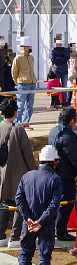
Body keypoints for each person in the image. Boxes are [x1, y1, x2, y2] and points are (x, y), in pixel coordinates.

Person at [12, 145, 62, 265]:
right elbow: (54, 205)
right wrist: (40, 222)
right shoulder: (55, 179)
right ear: (53, 161)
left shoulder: (27, 176)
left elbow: (19, 199)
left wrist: (28, 219)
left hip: (28, 225)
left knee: (26, 251)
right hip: (45, 225)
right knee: (44, 255)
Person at [48, 107, 77, 241]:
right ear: (72, 121)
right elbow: (75, 159)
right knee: (66, 203)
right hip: (65, 175)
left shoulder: (54, 130)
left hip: (53, 171)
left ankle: (54, 229)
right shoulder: (68, 136)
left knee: (55, 202)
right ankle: (61, 231)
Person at [0, 98, 36, 249]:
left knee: (4, 203)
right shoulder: (19, 130)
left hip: (2, 174)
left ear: (1, 113)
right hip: (19, 174)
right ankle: (14, 237)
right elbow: (27, 154)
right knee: (20, 205)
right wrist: (33, 172)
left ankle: (1, 236)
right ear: (15, 113)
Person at [12, 36, 37, 129]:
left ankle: (26, 123)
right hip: (23, 84)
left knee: (30, 105)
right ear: (23, 47)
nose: (30, 49)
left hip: (32, 83)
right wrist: (17, 82)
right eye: (29, 47)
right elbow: (14, 72)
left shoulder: (31, 58)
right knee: (20, 105)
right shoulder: (17, 59)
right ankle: (18, 123)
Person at [49, 35, 70, 104]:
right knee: (56, 87)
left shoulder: (65, 49)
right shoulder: (53, 49)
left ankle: (64, 101)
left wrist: (58, 59)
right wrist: (61, 59)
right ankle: (56, 101)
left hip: (64, 71)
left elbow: (67, 58)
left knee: (64, 87)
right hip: (56, 71)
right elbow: (53, 60)